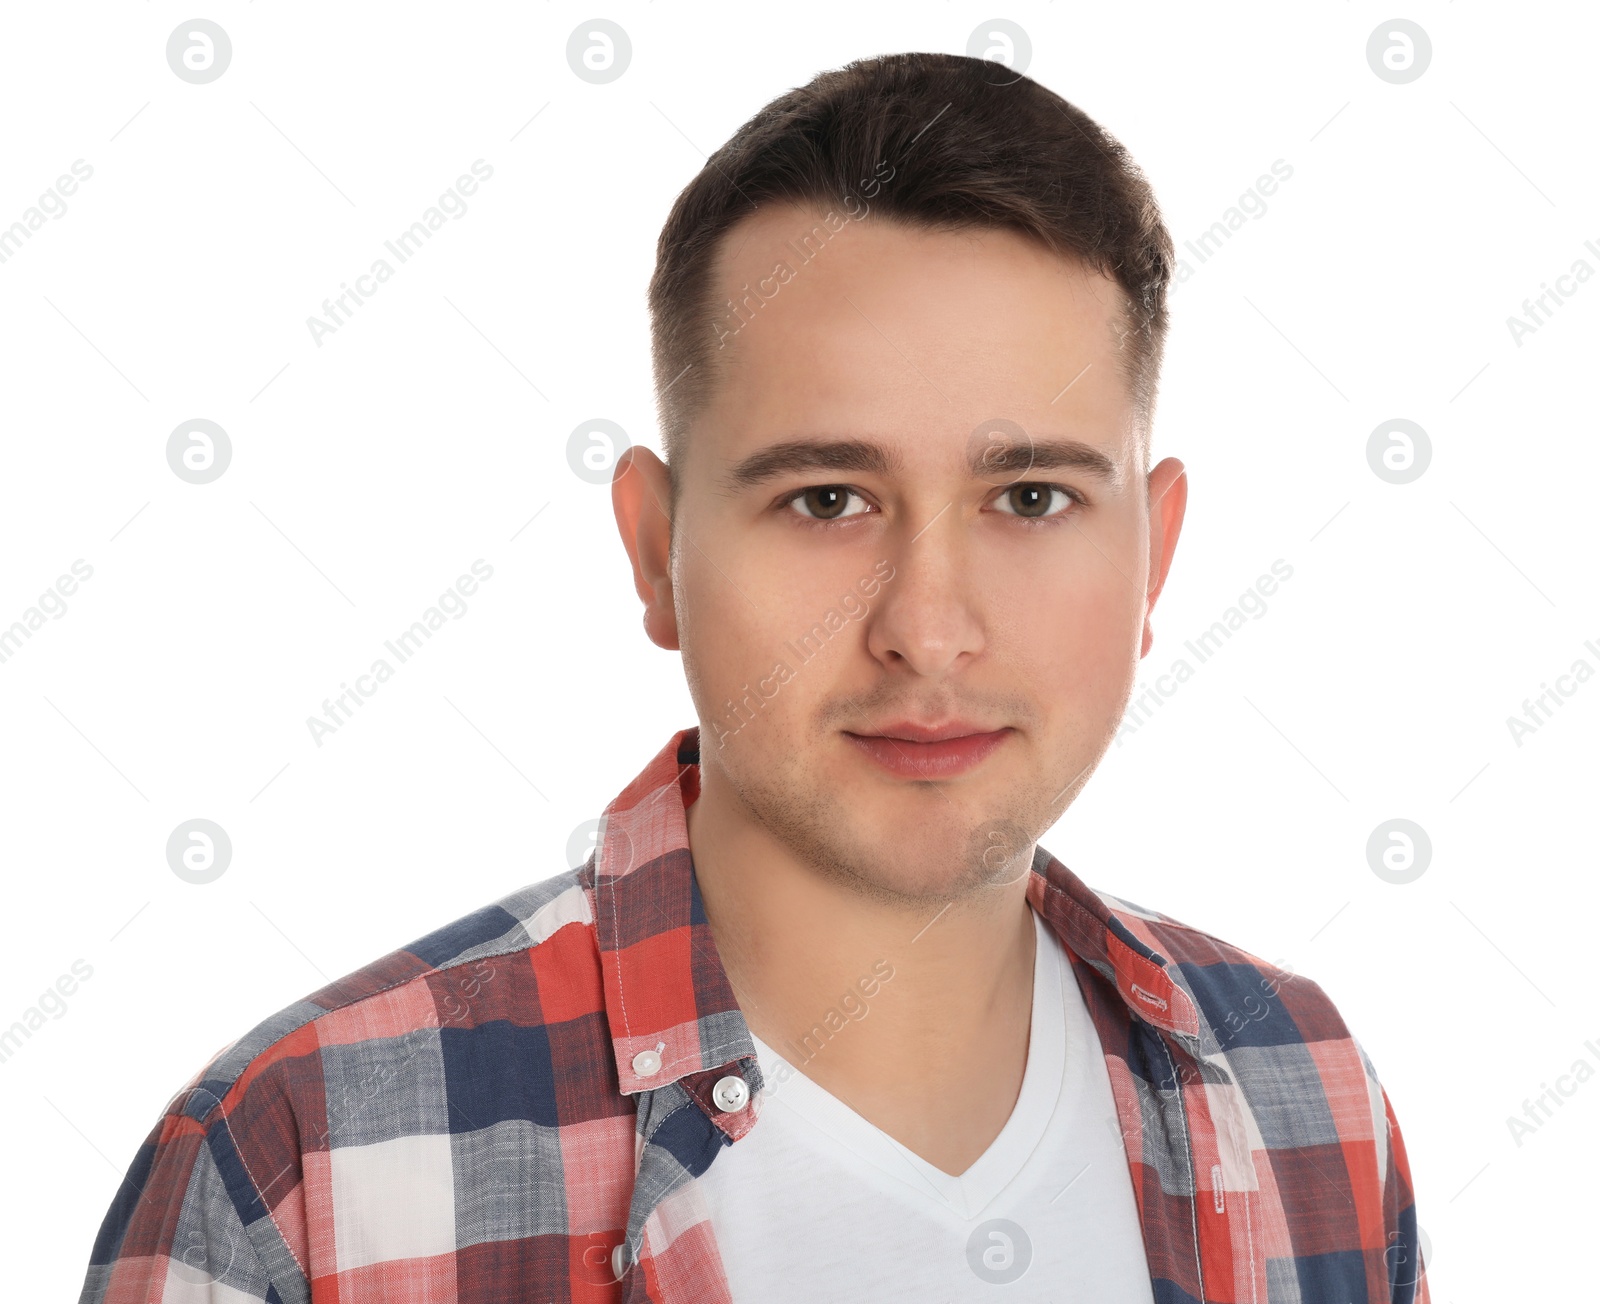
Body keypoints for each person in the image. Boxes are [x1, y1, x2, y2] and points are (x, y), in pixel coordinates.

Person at [79, 51, 1427, 1303]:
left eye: (1029, 496)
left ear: (1156, 556)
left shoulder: (1299, 1090)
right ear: (657, 551)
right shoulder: (305, 1172)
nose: (929, 629)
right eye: (830, 497)